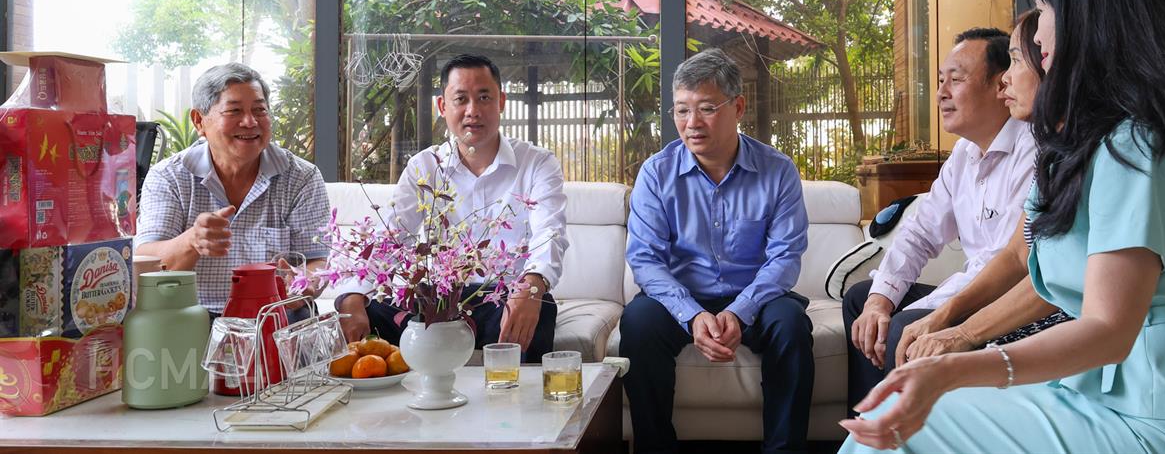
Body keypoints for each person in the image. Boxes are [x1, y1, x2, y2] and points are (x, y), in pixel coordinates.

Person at [841, 0, 1165, 453]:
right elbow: (1027, 262)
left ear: (1089, 16)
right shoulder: (1079, 148)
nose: (1037, 37)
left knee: (894, 435)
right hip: (1084, 387)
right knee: (892, 424)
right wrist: (950, 328)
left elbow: (1108, 327)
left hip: (1148, 409)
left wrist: (954, 365)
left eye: (1044, 10)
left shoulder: (1137, 144)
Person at [620, 48, 813, 454]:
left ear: (738, 107)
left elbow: (784, 257)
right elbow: (646, 259)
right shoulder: (656, 173)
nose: (692, 123)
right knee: (638, 322)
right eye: (681, 110)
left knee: (791, 324)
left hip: (755, 298)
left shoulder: (778, 171)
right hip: (681, 299)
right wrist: (692, 315)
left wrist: (740, 311)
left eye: (706, 108)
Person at [842, 28, 1037, 410]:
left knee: (903, 327)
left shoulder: (1033, 149)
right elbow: (919, 233)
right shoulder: (963, 154)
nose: (941, 93)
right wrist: (881, 300)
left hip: (1003, 301)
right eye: (940, 80)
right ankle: (866, 426)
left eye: (956, 80)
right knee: (861, 300)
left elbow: (1007, 263)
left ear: (999, 86)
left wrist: (926, 312)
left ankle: (898, 432)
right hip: (973, 292)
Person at [335, 54, 567, 361]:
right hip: (438, 301)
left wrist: (532, 287)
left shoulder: (537, 163)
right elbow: (390, 237)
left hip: (505, 297)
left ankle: (519, 392)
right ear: (443, 106)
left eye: (484, 97)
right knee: (371, 311)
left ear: (501, 102)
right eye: (461, 99)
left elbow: (550, 233)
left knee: (540, 307)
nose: (473, 111)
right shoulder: (425, 166)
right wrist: (353, 295)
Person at [894, 11, 1071, 366]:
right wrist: (931, 314)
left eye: (1017, 59)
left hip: (1057, 317)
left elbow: (1054, 282)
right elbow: (1019, 256)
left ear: (1055, 68)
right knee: (874, 305)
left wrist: (955, 326)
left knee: (907, 329)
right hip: (1031, 302)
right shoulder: (1056, 155)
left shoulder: (1070, 151)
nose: (1006, 78)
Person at [135, 63, 330, 317]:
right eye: (234, 111)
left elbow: (317, 260)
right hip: (192, 317)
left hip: (275, 315)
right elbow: (146, 265)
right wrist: (192, 241)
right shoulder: (169, 177)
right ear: (199, 121)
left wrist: (303, 284)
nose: (250, 122)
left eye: (259, 110)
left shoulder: (302, 177)